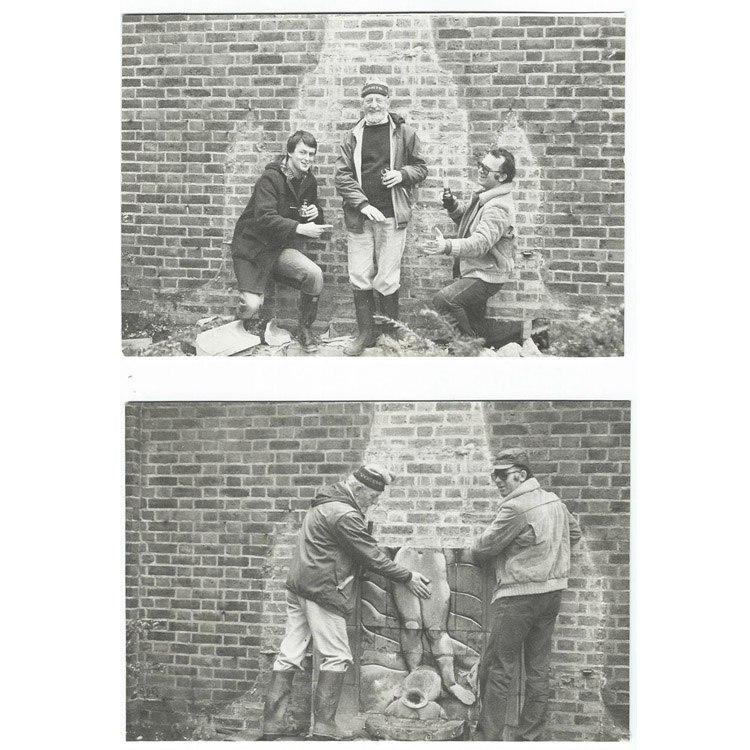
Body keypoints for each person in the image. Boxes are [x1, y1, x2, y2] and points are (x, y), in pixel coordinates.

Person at [261, 464, 432, 740]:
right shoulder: (344, 514)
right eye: (372, 497)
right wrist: (407, 575)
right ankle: (325, 728)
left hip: (300, 588)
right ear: (358, 488)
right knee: (337, 656)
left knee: (290, 653)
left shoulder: (325, 504)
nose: (373, 503)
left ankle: (272, 725)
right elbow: (371, 557)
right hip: (323, 591)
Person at [471, 449, 581, 741]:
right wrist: (548, 558)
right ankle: (529, 738)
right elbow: (575, 533)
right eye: (494, 474)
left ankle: (488, 740)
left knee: (497, 668)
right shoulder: (554, 501)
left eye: (502, 474)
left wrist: (523, 555)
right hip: (552, 594)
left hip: (518, 596)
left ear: (520, 475)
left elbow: (482, 549)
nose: (497, 480)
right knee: (537, 669)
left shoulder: (515, 508)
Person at [335, 80, 428, 355]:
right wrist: (362, 204)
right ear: (362, 104)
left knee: (388, 277)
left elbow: (421, 168)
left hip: (392, 214)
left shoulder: (404, 133)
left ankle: (389, 334)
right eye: (368, 100)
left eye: (379, 99)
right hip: (360, 217)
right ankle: (365, 333)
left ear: (388, 102)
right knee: (359, 275)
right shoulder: (352, 136)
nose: (373, 104)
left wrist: (402, 175)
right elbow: (342, 176)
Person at [230, 130, 332, 352]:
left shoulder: (308, 181)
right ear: (289, 152)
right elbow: (265, 217)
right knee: (251, 305)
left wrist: (315, 213)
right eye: (302, 152)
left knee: (314, 275)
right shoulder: (271, 178)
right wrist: (299, 227)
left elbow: (309, 217)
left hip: (277, 248)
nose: (307, 158)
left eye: (311, 154)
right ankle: (241, 329)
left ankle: (305, 328)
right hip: (252, 248)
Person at [423, 148, 518, 342]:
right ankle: (476, 345)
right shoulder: (487, 195)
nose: (480, 171)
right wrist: (452, 206)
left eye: (486, 169)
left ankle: (469, 347)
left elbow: (480, 243)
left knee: (445, 300)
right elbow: (470, 221)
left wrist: (447, 246)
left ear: (502, 176)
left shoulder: (498, 207)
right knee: (474, 322)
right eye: (480, 166)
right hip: (478, 269)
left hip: (486, 274)